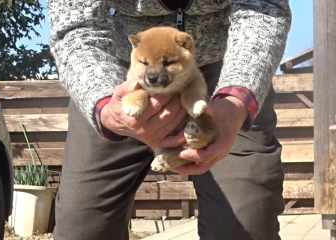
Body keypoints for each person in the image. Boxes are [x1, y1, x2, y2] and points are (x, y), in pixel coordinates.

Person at [47, 0, 291, 239]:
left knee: (244, 221)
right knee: (82, 227)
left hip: (229, 68)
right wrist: (102, 101)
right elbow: (74, 25)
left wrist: (238, 98)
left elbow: (262, 6)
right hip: (120, 74)